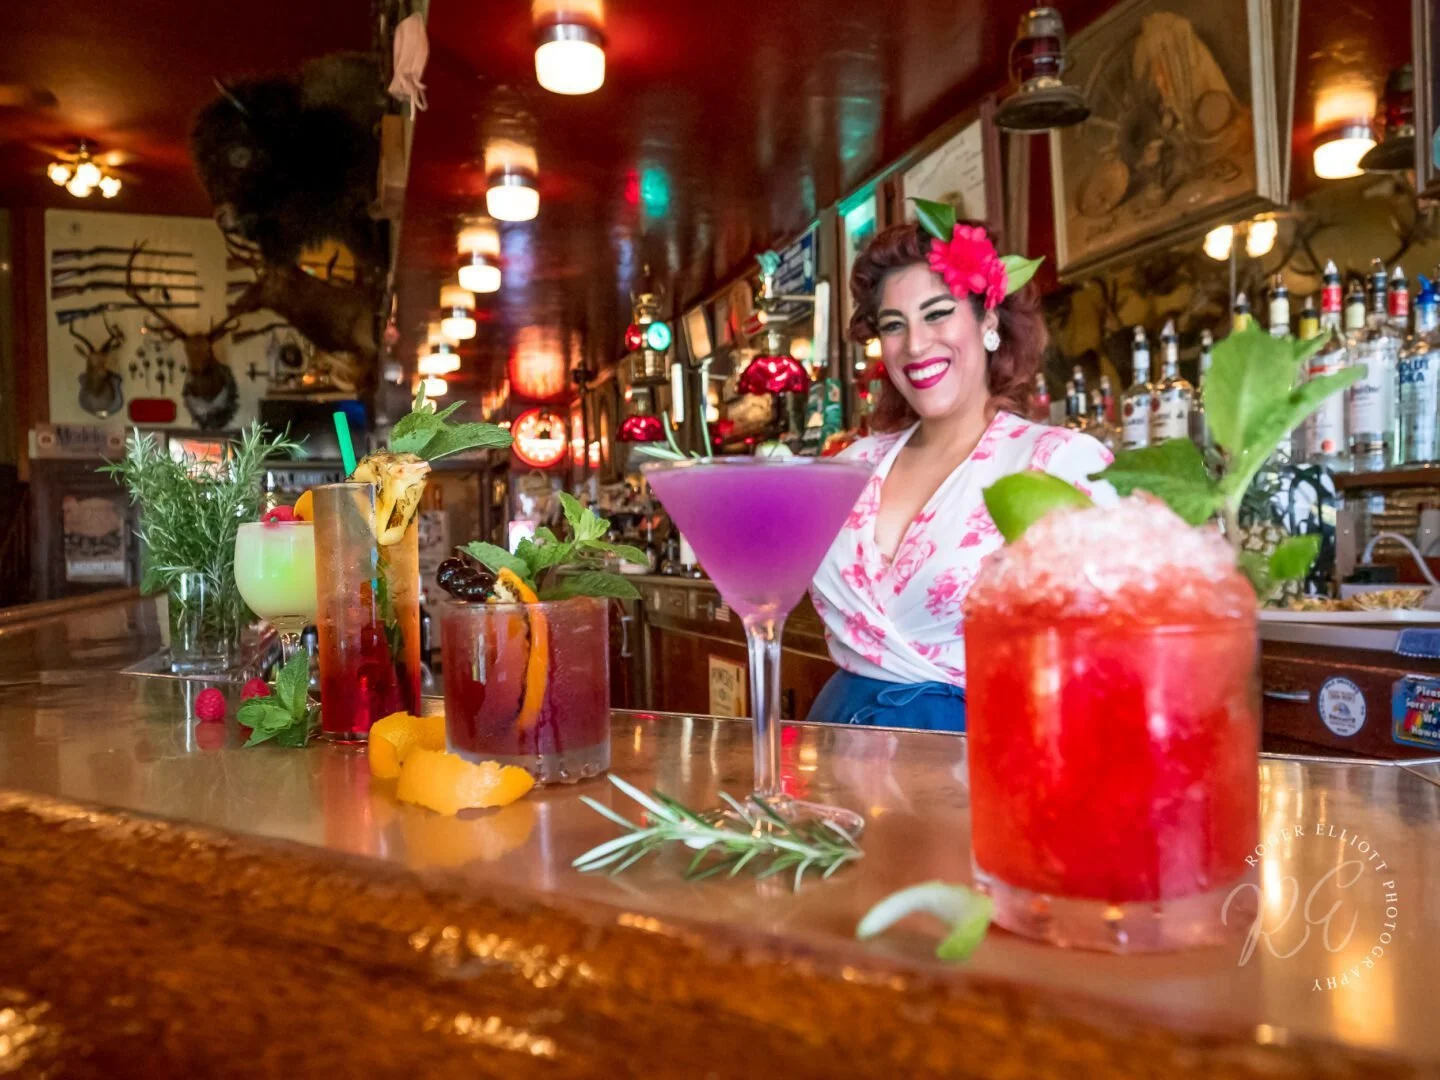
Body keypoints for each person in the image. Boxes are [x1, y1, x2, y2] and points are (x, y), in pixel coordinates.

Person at [808, 216, 1116, 732]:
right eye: (893, 325)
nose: (915, 344)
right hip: (839, 736)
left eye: (937, 314)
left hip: (979, 757)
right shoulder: (850, 467)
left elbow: (1113, 650)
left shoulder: (1059, 462)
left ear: (988, 322)